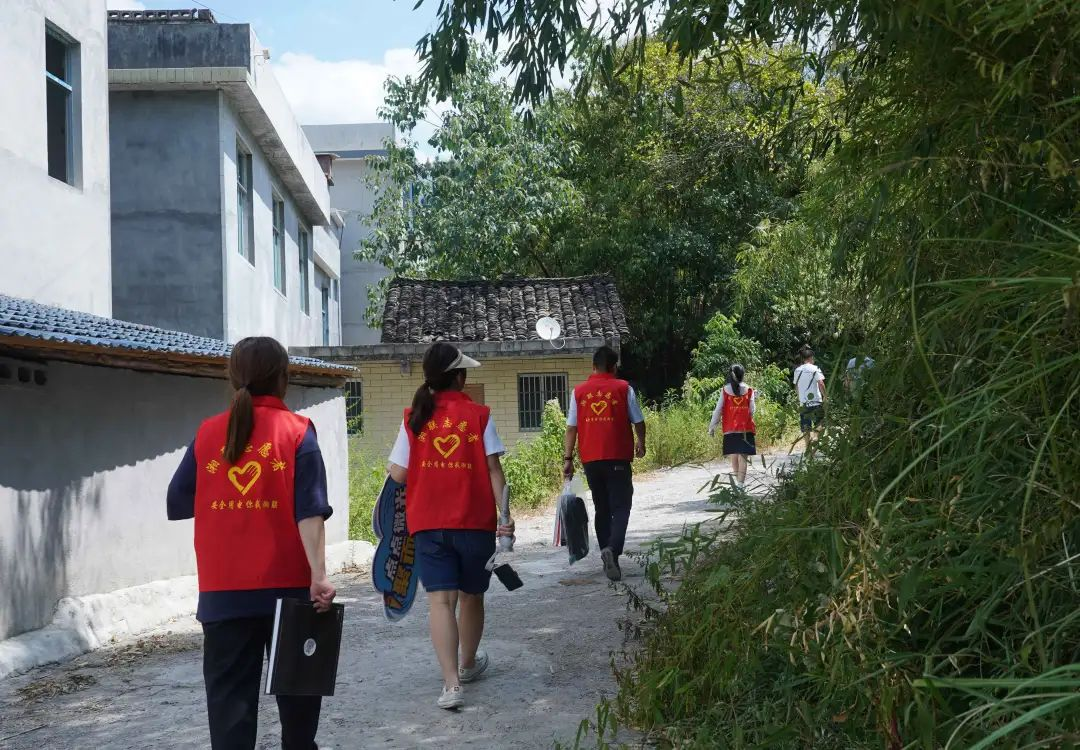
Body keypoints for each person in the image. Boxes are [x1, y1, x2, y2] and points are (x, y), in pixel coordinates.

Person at [166, 336, 336, 750]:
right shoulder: (298, 432)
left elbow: (178, 500)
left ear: (233, 378)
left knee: (230, 713)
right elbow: (310, 511)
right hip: (289, 592)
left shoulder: (208, 434)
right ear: (284, 379)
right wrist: (319, 576)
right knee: (298, 711)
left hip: (223, 593)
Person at [386, 343, 515, 711]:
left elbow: (398, 473)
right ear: (459, 378)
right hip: (475, 523)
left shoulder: (414, 417)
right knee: (472, 596)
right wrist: (505, 517)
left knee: (440, 602)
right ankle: (468, 664)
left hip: (428, 525)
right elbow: (494, 470)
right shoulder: (478, 415)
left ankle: (451, 684)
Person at [563, 346, 647, 582]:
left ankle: (607, 555)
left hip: (591, 459)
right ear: (614, 367)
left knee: (602, 508)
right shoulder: (623, 388)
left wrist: (568, 459)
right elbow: (638, 421)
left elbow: (571, 428)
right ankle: (613, 550)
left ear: (593, 367)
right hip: (618, 457)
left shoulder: (579, 392)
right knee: (621, 507)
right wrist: (641, 442)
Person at [708, 364, 757, 487]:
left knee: (734, 456)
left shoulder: (724, 390)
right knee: (743, 457)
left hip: (730, 429)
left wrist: (712, 427)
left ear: (730, 375)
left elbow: (718, 410)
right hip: (746, 428)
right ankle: (740, 485)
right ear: (742, 375)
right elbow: (752, 410)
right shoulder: (749, 390)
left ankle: (738, 484)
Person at [793, 344, 826, 448]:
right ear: (811, 358)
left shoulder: (797, 370)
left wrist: (800, 398)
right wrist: (825, 396)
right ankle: (815, 438)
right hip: (816, 401)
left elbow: (797, 386)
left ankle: (808, 447)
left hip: (804, 403)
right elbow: (821, 383)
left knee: (805, 426)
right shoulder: (815, 369)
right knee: (819, 422)